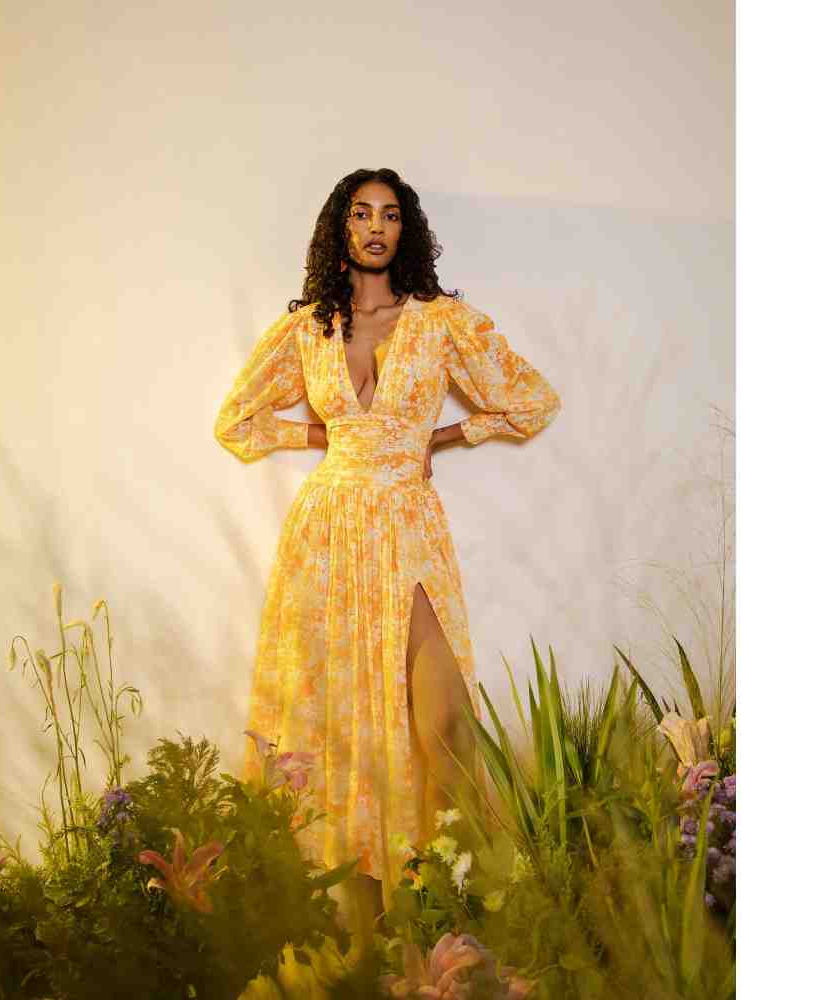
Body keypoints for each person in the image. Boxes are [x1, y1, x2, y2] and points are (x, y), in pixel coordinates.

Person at [214, 168, 561, 941]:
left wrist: (448, 434)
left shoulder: (441, 322)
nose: (376, 227)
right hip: (328, 534)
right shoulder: (309, 329)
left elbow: (532, 400)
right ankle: (370, 942)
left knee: (444, 727)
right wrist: (322, 434)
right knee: (346, 733)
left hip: (406, 526)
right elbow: (235, 421)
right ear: (340, 228)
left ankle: (470, 916)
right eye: (362, 213)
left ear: (408, 231)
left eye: (391, 215)